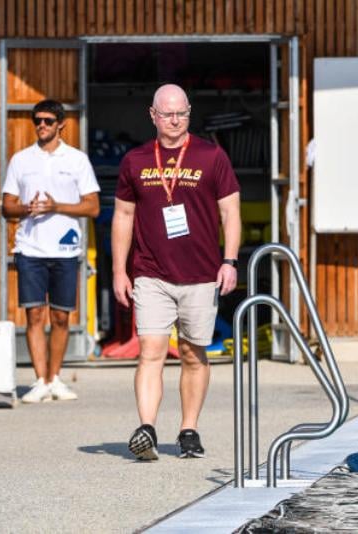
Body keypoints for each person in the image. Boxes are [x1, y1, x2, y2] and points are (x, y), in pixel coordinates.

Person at [112, 84, 241, 460]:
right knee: (151, 351)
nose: (174, 120)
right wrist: (120, 271)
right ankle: (147, 429)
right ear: (152, 115)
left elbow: (230, 212)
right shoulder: (136, 160)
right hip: (151, 273)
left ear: (189, 113)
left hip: (201, 273)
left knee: (191, 352)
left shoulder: (211, 155)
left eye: (181, 113)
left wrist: (230, 261)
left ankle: (189, 430)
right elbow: (123, 216)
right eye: (167, 113)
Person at [1, 99, 100, 404]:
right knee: (34, 315)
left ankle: (55, 378)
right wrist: (26, 208)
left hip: (65, 250)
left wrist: (57, 207)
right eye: (37, 121)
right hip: (30, 248)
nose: (41, 125)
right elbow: (7, 206)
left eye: (47, 120)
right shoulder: (20, 160)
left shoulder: (77, 160)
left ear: (61, 125)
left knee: (60, 316)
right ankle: (40, 380)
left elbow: (93, 207)